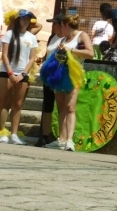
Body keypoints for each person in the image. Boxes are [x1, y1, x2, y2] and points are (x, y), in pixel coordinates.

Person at [0, 9, 38, 145]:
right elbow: (4, 55)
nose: (26, 21)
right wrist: (10, 73)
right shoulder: (10, 34)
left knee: (17, 104)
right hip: (7, 72)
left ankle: (14, 134)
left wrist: (23, 74)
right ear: (18, 20)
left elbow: (32, 58)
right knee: (2, 100)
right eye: (23, 19)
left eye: (28, 19)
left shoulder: (31, 38)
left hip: (23, 74)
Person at [45, 14, 94, 151]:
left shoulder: (81, 36)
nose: (60, 29)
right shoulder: (63, 39)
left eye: (61, 26)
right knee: (61, 107)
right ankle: (61, 139)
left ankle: (70, 140)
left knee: (70, 107)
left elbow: (90, 53)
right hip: (60, 74)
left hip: (74, 75)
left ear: (66, 26)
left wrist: (70, 50)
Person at [36, 13, 65, 147]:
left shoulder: (66, 39)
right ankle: (45, 136)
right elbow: (49, 53)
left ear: (61, 25)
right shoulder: (52, 37)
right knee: (47, 106)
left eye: (55, 24)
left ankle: (62, 137)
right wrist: (42, 59)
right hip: (47, 75)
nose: (52, 26)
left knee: (61, 108)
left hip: (59, 76)